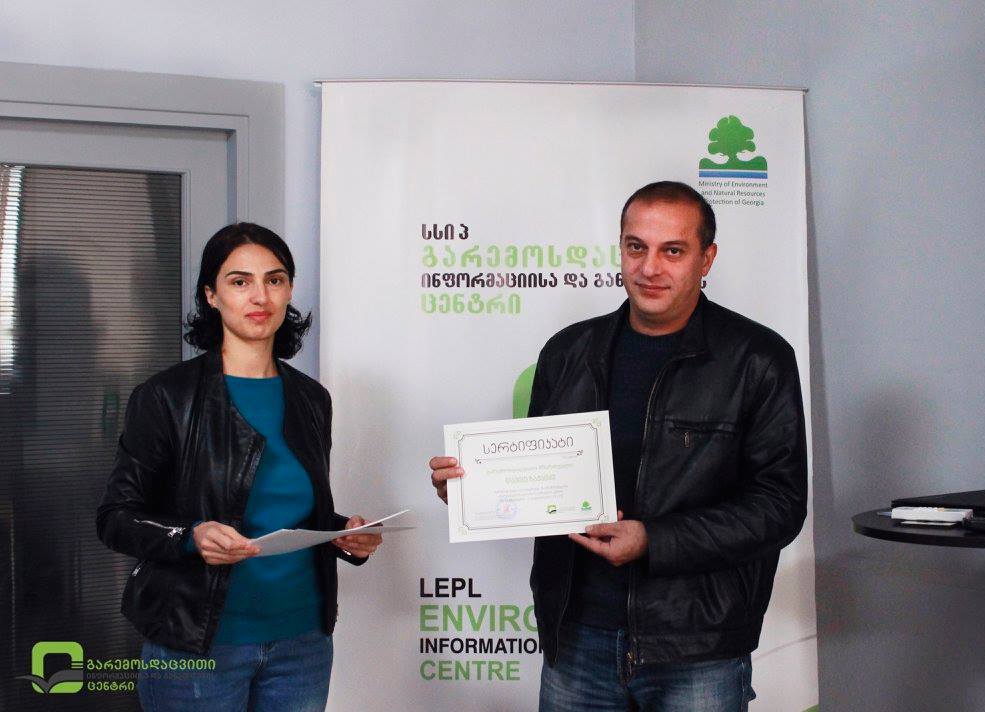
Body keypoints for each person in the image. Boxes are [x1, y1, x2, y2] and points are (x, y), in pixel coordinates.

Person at [430, 181, 807, 711]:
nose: (649, 268)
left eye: (672, 251)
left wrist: (654, 540)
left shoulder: (758, 359)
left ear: (706, 259)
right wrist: (475, 492)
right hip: (577, 637)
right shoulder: (568, 351)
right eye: (636, 247)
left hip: (697, 645)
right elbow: (539, 480)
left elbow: (779, 506)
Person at [97, 222, 382, 711]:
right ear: (211, 295)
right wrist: (192, 536)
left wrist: (341, 533)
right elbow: (116, 517)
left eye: (274, 280)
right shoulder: (167, 397)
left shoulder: (311, 399)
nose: (260, 296)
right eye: (239, 281)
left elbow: (283, 511)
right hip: (199, 644)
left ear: (289, 291)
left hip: (303, 643)